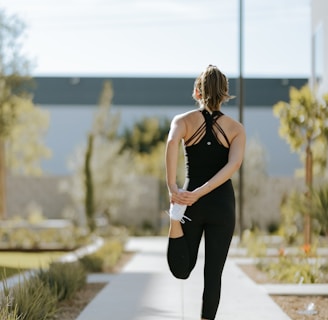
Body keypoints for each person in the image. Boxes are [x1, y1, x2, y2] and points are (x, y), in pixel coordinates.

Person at [165, 64, 246, 320]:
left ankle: (173, 220)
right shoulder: (236, 129)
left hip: (189, 202)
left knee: (182, 269)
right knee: (213, 276)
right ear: (224, 94)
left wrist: (173, 187)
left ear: (197, 92)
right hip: (222, 205)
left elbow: (171, 143)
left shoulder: (183, 121)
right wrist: (203, 191)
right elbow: (233, 165)